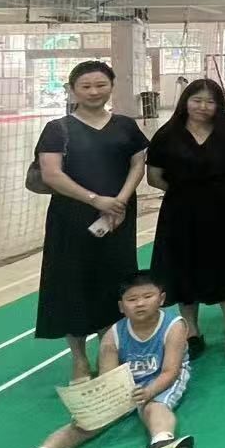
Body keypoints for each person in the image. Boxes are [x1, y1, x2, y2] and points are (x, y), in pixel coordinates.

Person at [0, 271, 193, 448]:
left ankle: (162, 442)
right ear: (121, 306)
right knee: (85, 422)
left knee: (153, 407)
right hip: (127, 383)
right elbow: (108, 379)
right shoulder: (113, 335)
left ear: (161, 299)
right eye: (132, 299)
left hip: (163, 378)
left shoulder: (173, 326)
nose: (140, 303)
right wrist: (97, 406)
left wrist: (149, 392)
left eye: (147, 296)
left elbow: (170, 371)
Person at [33, 60, 149, 381]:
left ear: (111, 86)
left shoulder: (125, 125)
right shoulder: (58, 129)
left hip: (118, 218)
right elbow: (51, 174)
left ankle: (108, 352)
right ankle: (79, 359)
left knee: (114, 282)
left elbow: (137, 164)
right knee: (73, 283)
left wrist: (120, 201)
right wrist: (96, 200)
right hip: (72, 219)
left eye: (101, 85)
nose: (94, 91)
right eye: (86, 86)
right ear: (73, 90)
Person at [147, 78, 225, 365]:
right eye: (197, 100)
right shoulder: (167, 135)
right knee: (184, 271)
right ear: (185, 102)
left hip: (221, 211)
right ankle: (192, 334)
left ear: (218, 106)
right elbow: (154, 177)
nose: (203, 106)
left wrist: (211, 191)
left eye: (210, 101)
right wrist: (186, 192)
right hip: (179, 213)